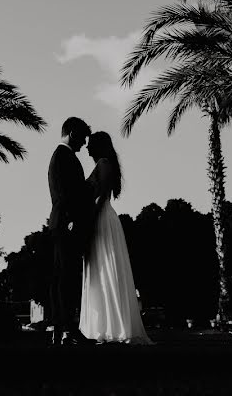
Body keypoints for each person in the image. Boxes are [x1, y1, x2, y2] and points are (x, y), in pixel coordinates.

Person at [79, 131, 153, 345]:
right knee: (104, 268)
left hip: (101, 218)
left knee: (102, 267)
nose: (87, 148)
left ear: (99, 146)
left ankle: (108, 325)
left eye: (90, 144)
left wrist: (90, 219)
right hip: (106, 218)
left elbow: (101, 196)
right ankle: (110, 323)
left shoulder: (102, 163)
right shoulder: (106, 163)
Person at [47, 117, 96, 346]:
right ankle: (66, 329)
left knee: (64, 278)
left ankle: (63, 329)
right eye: (82, 138)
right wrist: (70, 220)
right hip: (67, 224)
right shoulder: (62, 158)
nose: (84, 144)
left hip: (66, 224)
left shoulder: (64, 157)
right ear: (72, 133)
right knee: (66, 278)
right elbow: (62, 194)